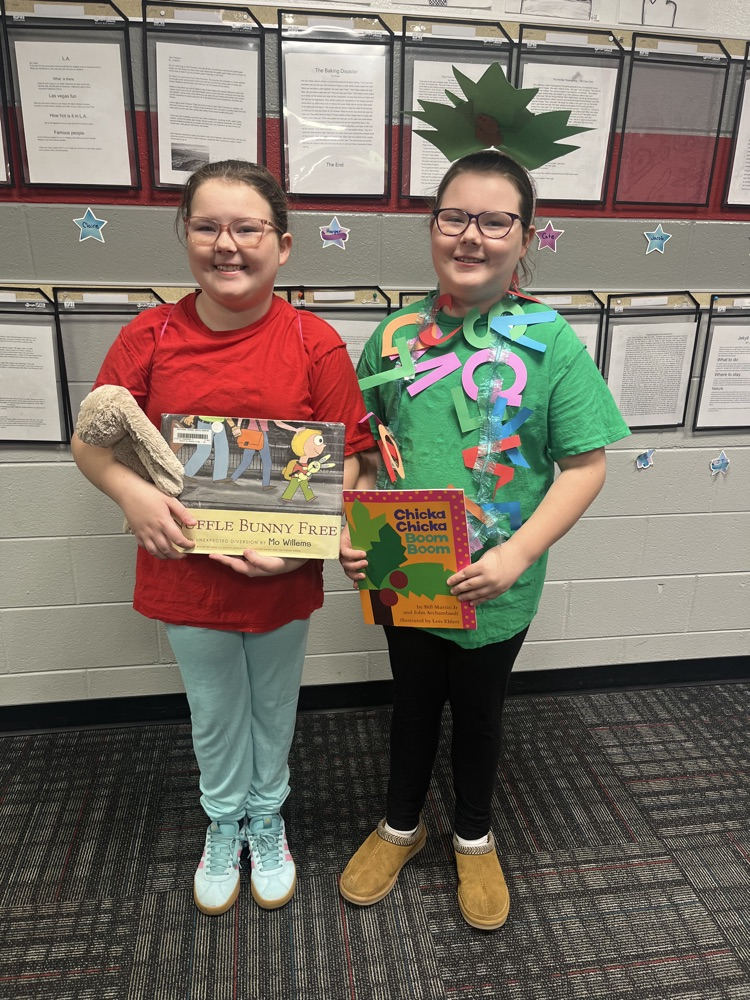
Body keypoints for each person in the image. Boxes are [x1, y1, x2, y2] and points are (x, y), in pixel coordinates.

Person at [71, 160, 374, 916]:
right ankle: (223, 821)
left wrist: (308, 542)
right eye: (207, 227)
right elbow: (92, 439)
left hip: (280, 573)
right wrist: (131, 493)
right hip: (186, 572)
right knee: (213, 708)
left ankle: (266, 819)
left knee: (273, 704)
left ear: (284, 245)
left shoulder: (315, 342)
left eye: (248, 229)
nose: (227, 245)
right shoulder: (150, 335)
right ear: (185, 236)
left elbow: (356, 461)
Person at [339, 150, 630, 931]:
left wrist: (519, 552)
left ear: (526, 235)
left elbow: (585, 466)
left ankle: (473, 834)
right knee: (410, 703)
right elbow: (367, 448)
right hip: (407, 571)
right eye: (455, 217)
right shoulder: (395, 336)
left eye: (495, 221)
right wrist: (353, 521)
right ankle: (403, 824)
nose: (472, 237)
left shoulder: (552, 341)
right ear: (432, 227)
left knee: (478, 710)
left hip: (499, 578)